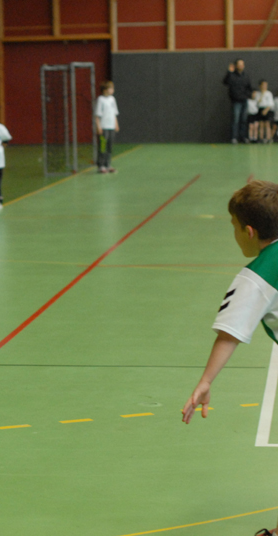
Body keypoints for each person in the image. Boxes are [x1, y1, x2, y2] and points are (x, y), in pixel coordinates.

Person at [181, 180, 278, 536]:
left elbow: (230, 332)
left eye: (234, 226)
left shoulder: (258, 275)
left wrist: (205, 381)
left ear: (249, 232)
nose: (234, 234)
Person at [223, 59, 252, 144]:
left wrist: (247, 95)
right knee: (235, 120)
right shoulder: (231, 75)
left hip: (244, 101)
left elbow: (249, 87)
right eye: (239, 64)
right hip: (236, 101)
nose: (241, 66)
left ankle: (243, 137)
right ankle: (234, 138)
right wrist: (229, 72)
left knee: (244, 120)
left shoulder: (246, 76)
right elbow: (225, 82)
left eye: (242, 64)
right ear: (236, 65)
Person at [95, 80, 119, 174]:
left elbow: (114, 113)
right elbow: (97, 115)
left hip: (111, 127)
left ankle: (108, 165)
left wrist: (116, 124)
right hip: (103, 127)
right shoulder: (100, 99)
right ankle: (101, 166)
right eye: (110, 88)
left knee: (109, 146)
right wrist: (98, 127)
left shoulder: (112, 99)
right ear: (105, 90)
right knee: (102, 146)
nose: (112, 90)